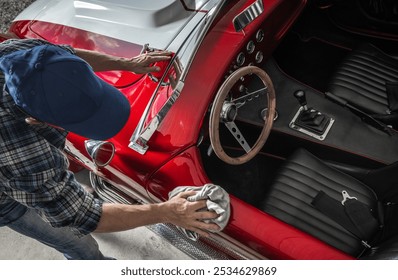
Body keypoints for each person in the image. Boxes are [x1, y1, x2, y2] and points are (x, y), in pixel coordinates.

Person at [0, 37, 220, 260]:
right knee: (78, 242)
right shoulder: (25, 156)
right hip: (6, 200)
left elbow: (66, 56)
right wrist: (168, 212)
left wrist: (127, 63)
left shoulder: (20, 53)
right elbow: (83, 215)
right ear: (35, 120)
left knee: (60, 192)